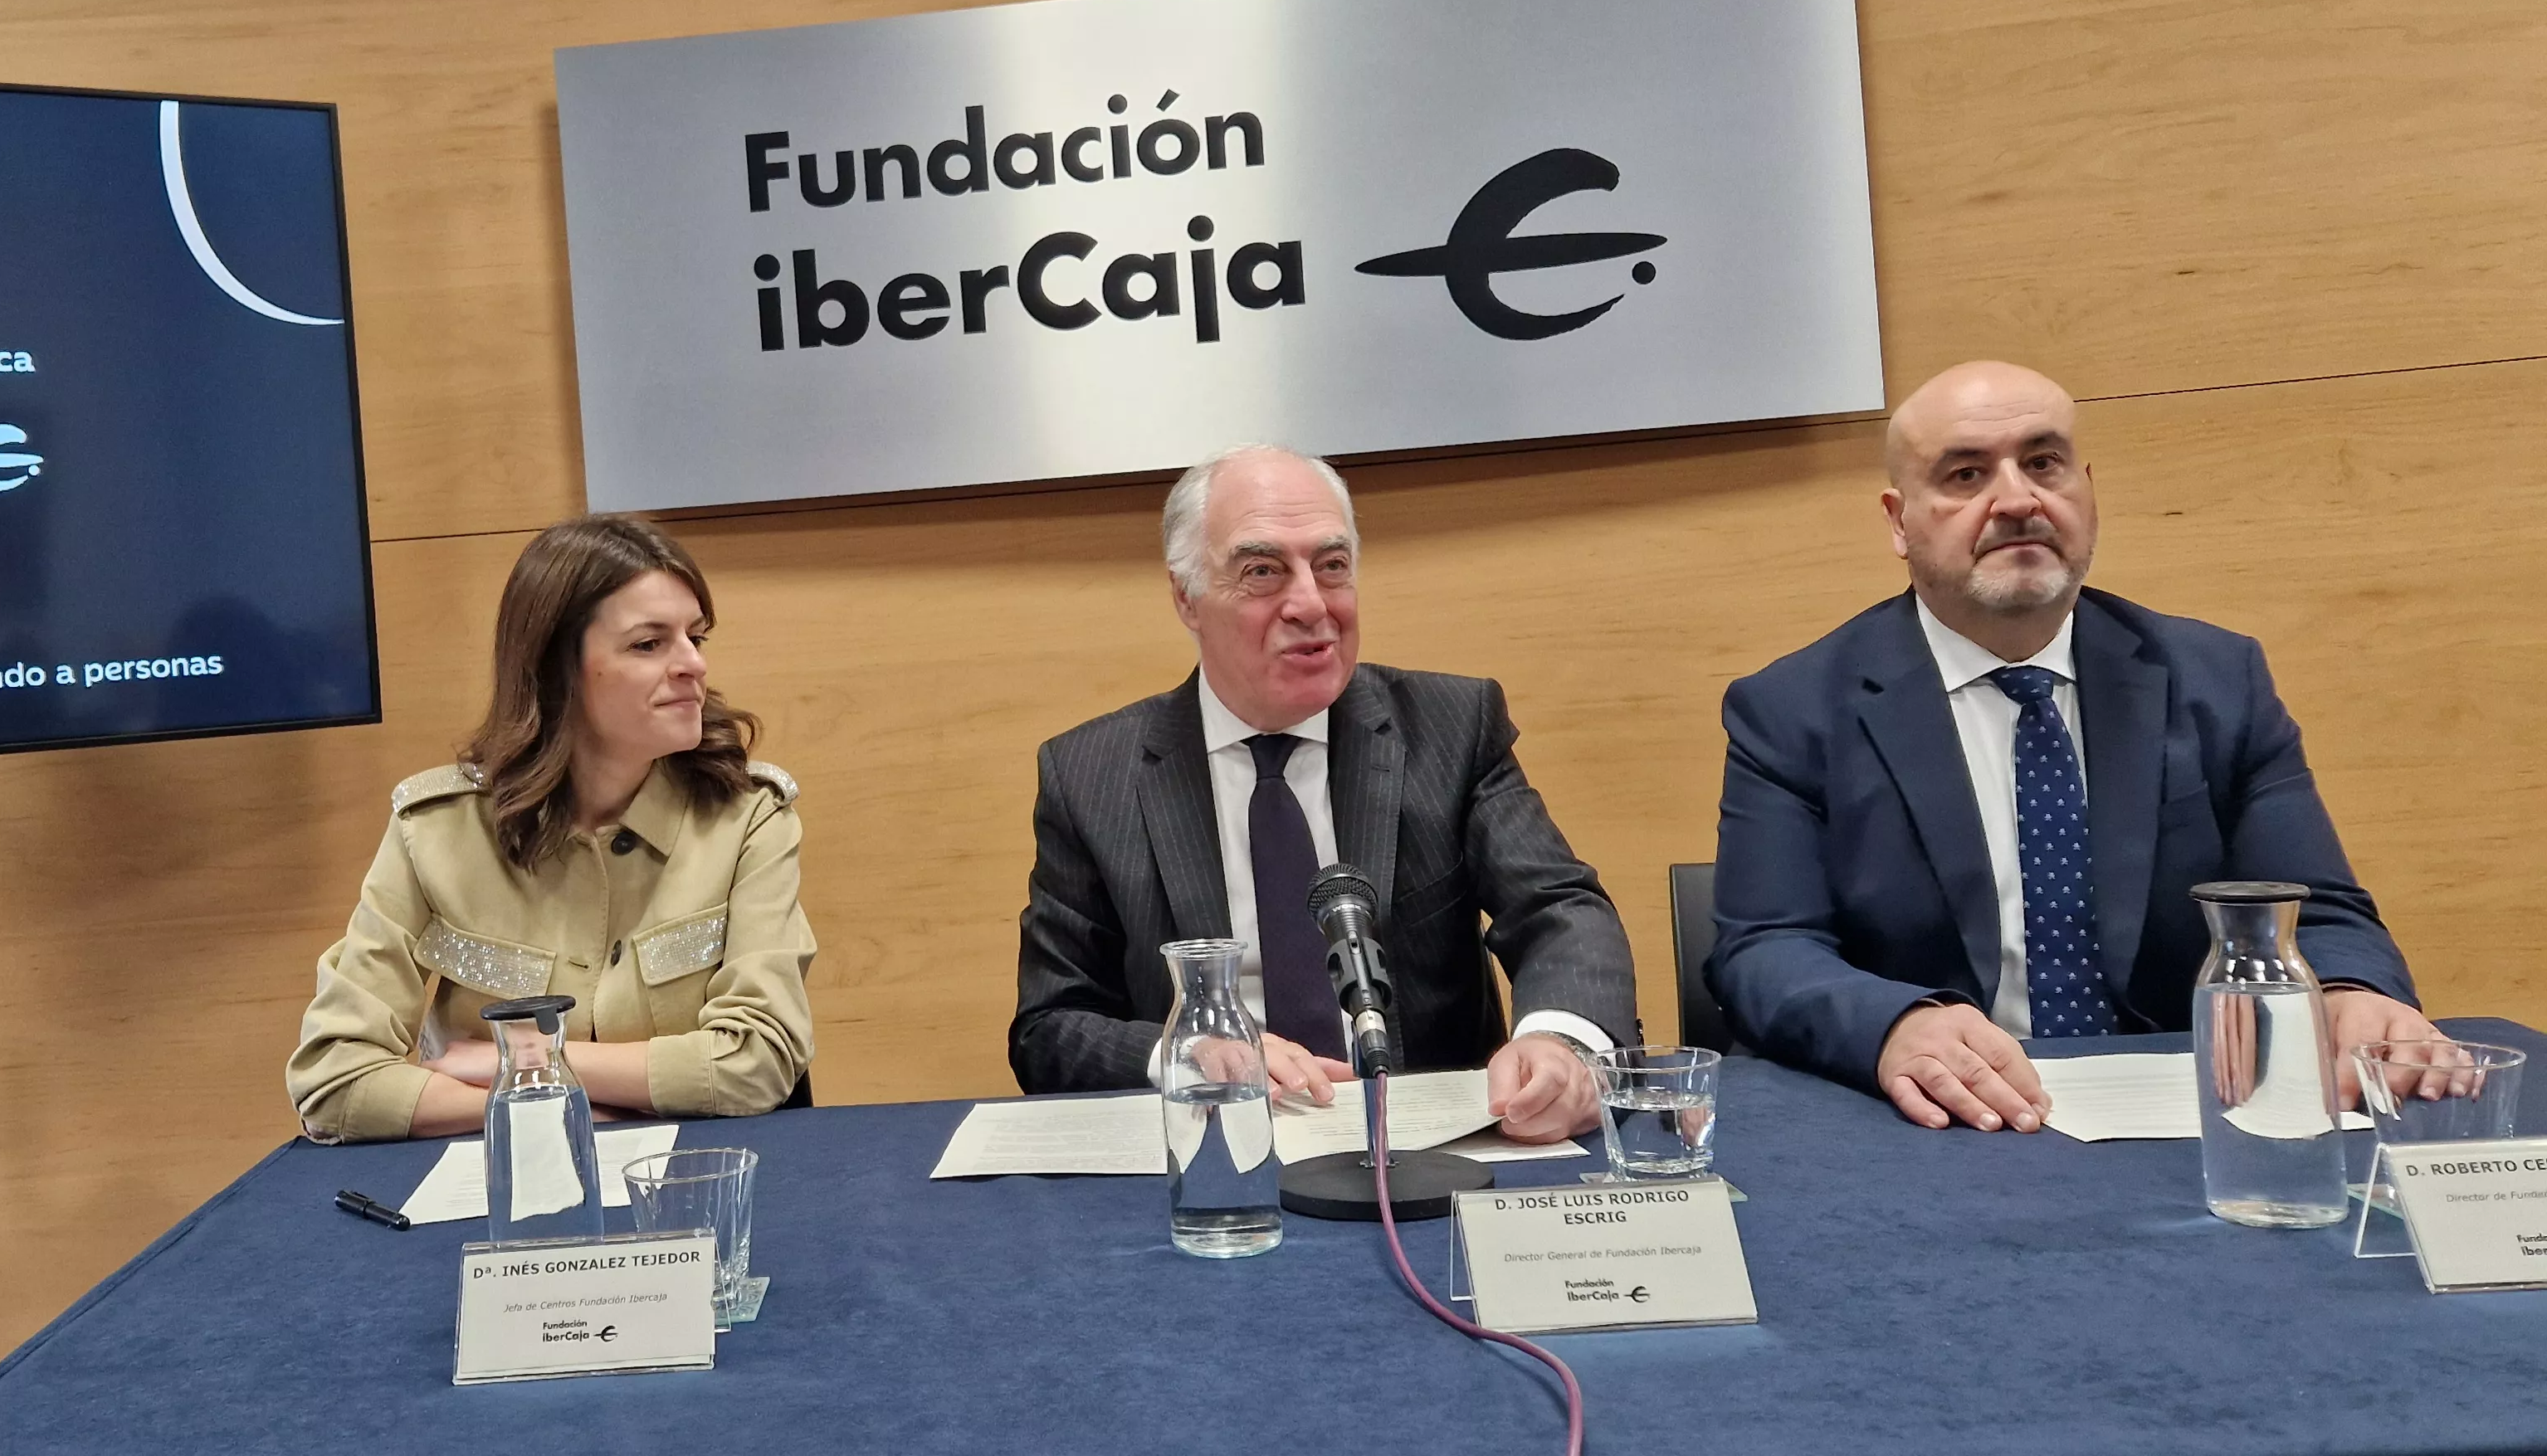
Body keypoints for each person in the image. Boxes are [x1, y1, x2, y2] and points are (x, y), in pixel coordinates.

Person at [1710, 361, 2436, 1132]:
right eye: (1965, 474)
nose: (2018, 500)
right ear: (1899, 520)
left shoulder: (2217, 680)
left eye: (2045, 463)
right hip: (1934, 1124)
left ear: (2086, 490)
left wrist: (2355, 994)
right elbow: (1764, 947)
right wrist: (1896, 1026)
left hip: (2191, 1115)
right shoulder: (1793, 708)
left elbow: (2316, 913)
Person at [1010, 444, 1638, 1142]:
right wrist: (1185, 1056)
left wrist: (1561, 1043)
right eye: (1261, 571)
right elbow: (1050, 1028)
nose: (1311, 604)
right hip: (1217, 1152)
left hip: (1434, 1148)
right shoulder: (1092, 774)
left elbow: (1560, 909)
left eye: (1332, 566)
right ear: (1187, 598)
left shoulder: (1450, 728)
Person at [286, 515, 815, 1141]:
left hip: (694, 1185)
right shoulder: (435, 831)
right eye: (649, 644)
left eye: (695, 637)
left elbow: (758, 1065)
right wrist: (564, 1109)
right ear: (556, 665)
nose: (692, 666)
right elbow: (333, 1080)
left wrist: (517, 1064)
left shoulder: (748, 817)